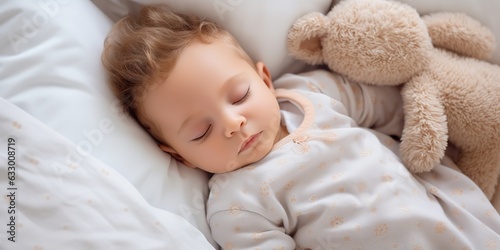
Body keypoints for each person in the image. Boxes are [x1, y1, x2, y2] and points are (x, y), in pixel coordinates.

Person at [102, 5, 500, 249]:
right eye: (200, 132)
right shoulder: (235, 204)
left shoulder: (312, 92)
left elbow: (393, 108)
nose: (232, 123)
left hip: (452, 215)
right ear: (178, 156)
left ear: (264, 79)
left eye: (239, 95)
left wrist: (432, 129)